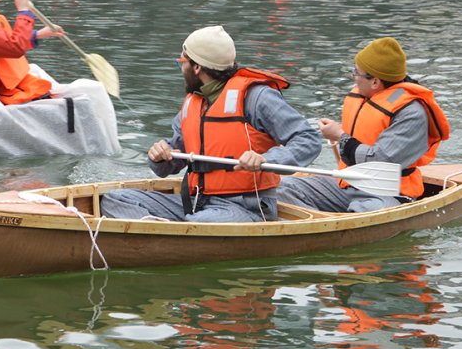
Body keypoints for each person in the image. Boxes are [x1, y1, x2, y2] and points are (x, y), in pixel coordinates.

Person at [101, 26, 322, 223]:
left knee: (202, 221)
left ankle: (173, 235)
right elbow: (170, 164)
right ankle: (162, 232)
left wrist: (266, 159)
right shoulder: (193, 102)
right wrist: (159, 155)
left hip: (245, 206)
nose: (181, 68)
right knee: (114, 199)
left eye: (182, 62)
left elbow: (308, 140)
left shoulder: (257, 98)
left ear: (196, 67)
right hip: (195, 202)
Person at [278, 37, 450, 213]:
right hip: (347, 183)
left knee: (367, 210)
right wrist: (338, 134)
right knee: (282, 188)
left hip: (386, 192)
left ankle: (335, 225)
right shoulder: (365, 95)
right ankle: (318, 221)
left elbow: (380, 161)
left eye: (356, 73)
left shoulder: (411, 113)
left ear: (375, 82)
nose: (354, 77)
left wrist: (340, 136)